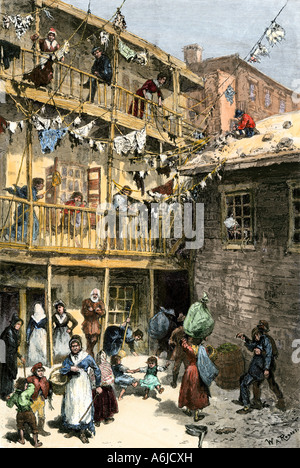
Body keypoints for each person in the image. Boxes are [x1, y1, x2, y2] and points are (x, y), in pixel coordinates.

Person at [60, 335, 102, 444]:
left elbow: (96, 370)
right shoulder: (68, 358)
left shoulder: (86, 357)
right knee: (72, 405)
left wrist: (98, 385)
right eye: (72, 346)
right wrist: (70, 368)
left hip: (83, 384)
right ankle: (73, 428)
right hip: (71, 385)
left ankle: (82, 432)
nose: (75, 348)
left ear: (80, 346)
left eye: (77, 345)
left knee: (83, 405)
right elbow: (61, 370)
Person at [234, 328, 271, 415]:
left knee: (244, 383)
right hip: (255, 368)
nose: (256, 337)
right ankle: (243, 400)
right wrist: (244, 338)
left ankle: (246, 406)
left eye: (257, 335)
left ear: (261, 334)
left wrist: (266, 368)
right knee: (243, 380)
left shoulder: (266, 341)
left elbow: (269, 355)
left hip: (259, 369)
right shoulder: (259, 341)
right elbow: (252, 346)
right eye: (254, 335)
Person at [250, 320, 285, 411]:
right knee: (256, 383)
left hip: (268, 365)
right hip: (260, 365)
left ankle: (281, 401)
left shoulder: (268, 340)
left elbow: (273, 353)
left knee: (271, 383)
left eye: (262, 330)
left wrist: (262, 354)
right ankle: (257, 402)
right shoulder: (259, 339)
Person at [178, 335, 210, 422]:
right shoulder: (203, 349)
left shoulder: (189, 348)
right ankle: (196, 416)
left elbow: (183, 344)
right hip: (198, 371)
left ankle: (188, 410)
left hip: (190, 370)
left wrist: (184, 340)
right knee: (197, 391)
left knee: (188, 389)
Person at [4, 178, 44, 242]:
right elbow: (31, 200)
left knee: (33, 223)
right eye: (42, 184)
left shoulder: (32, 190)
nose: (43, 185)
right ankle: (11, 235)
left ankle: (31, 238)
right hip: (25, 209)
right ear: (37, 185)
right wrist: (38, 197)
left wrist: (37, 197)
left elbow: (30, 198)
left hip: (27, 209)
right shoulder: (31, 190)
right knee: (25, 224)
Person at [6, 378, 42, 448]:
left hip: (20, 414)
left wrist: (8, 399)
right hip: (28, 413)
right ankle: (35, 443)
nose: (26, 387)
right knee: (34, 427)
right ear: (23, 386)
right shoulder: (26, 392)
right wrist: (29, 383)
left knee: (20, 427)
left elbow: (9, 405)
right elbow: (32, 387)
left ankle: (22, 440)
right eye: (26, 386)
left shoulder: (14, 395)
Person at [0, 317, 25, 400]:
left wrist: (20, 357)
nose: (18, 326)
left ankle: (9, 392)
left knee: (11, 375)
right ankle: (4, 394)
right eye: (17, 324)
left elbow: (14, 349)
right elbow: (4, 345)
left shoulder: (16, 332)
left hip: (12, 356)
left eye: (20, 325)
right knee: (6, 375)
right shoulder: (8, 331)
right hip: (5, 357)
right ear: (14, 323)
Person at [27, 362, 53, 437]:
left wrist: (46, 395)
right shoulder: (31, 379)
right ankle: (29, 428)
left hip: (41, 400)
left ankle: (40, 429)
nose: (41, 372)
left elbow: (47, 388)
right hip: (33, 400)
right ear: (35, 372)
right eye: (39, 371)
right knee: (31, 414)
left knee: (41, 415)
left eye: (42, 370)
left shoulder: (44, 379)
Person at [92, 350, 119, 425]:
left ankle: (107, 417)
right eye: (99, 357)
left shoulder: (107, 365)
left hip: (106, 388)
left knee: (107, 403)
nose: (100, 359)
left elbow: (110, 376)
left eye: (102, 357)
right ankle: (97, 419)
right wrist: (97, 384)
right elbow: (92, 376)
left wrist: (106, 381)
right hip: (97, 388)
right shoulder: (94, 366)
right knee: (97, 404)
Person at [81, 288, 106, 358]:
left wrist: (96, 311)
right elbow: (83, 312)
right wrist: (92, 311)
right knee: (88, 342)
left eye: (96, 294)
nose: (95, 296)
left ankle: (88, 354)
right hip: (88, 324)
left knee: (94, 340)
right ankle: (90, 356)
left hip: (95, 325)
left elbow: (103, 312)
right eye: (93, 294)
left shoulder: (100, 303)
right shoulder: (86, 302)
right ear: (91, 295)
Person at [168, 313, 189, 388]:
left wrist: (175, 343)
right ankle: (187, 383)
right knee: (187, 367)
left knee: (176, 367)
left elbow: (170, 341)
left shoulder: (176, 331)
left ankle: (174, 383)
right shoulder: (189, 331)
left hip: (180, 351)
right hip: (186, 351)